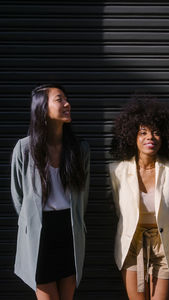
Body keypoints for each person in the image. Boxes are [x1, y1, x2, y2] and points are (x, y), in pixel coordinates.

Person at [11, 84, 90, 300]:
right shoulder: (24, 149)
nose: (67, 104)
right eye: (59, 99)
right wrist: (31, 221)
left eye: (66, 99)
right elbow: (18, 196)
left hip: (70, 230)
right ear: (42, 108)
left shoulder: (79, 149)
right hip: (40, 233)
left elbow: (83, 197)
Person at [109, 97, 169, 300]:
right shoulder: (117, 171)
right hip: (132, 243)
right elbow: (120, 207)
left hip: (163, 244)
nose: (150, 137)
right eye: (143, 132)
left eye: (156, 132)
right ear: (132, 136)